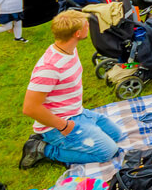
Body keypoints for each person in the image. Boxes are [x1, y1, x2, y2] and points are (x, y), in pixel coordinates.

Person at [19, 10, 124, 169]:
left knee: (117, 135)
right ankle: (43, 149)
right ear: (77, 33)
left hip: (78, 113)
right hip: (59, 125)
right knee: (108, 152)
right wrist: (64, 126)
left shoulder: (69, 48)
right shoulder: (49, 68)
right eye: (86, 24)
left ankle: (86, 130)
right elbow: (30, 108)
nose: (89, 25)